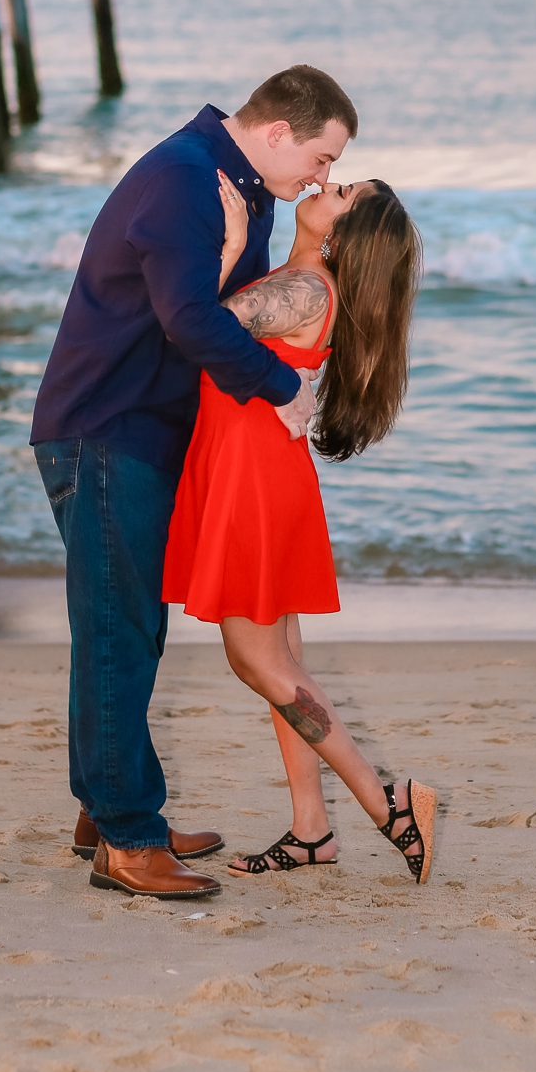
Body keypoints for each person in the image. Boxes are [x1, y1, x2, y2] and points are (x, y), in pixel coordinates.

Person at [30, 66, 358, 900]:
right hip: (110, 425)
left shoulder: (239, 187)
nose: (322, 176)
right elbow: (189, 321)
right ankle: (128, 840)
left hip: (141, 428)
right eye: (323, 156)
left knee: (131, 630)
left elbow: (224, 305)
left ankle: (108, 810)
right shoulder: (186, 180)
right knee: (118, 630)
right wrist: (286, 391)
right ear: (281, 130)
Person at [162, 172, 438, 884]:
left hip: (251, 483)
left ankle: (390, 806)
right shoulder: (299, 278)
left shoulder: (307, 288)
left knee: (259, 664)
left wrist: (223, 249)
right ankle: (312, 830)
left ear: (341, 234)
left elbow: (195, 325)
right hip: (261, 475)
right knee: (282, 663)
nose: (327, 183)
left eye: (343, 191)